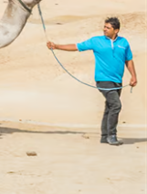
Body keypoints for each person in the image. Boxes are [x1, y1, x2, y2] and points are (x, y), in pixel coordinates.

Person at [47, 17, 137, 146]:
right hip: (103, 79)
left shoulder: (124, 43)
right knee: (116, 105)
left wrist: (133, 76)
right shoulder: (96, 41)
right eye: (104, 27)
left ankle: (104, 136)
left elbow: (129, 60)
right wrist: (57, 46)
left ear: (116, 30)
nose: (104, 29)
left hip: (118, 80)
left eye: (108, 28)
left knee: (110, 107)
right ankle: (112, 135)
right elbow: (77, 46)